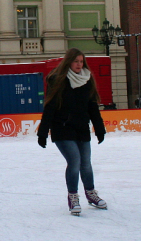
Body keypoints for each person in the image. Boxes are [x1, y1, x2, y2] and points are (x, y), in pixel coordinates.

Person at [37, 48, 107, 216]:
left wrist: (99, 128)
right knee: (75, 160)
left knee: (86, 163)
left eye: (81, 61)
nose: (79, 64)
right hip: (62, 128)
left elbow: (92, 106)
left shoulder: (86, 79)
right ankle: (73, 197)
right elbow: (50, 106)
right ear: (69, 62)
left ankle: (90, 194)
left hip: (81, 128)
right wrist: (43, 132)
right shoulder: (58, 80)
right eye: (76, 61)